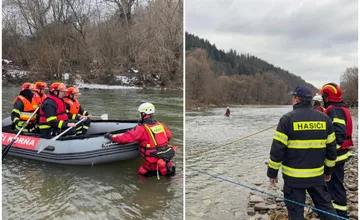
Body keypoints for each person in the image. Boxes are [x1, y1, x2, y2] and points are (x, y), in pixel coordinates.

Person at [267, 85, 338, 219]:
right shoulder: (325, 119)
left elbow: (277, 150)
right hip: (317, 176)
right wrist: (328, 171)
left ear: (296, 99)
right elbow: (331, 150)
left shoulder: (287, 119)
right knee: (326, 209)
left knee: (295, 213)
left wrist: (272, 173)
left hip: (293, 179)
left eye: (292, 97)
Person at [104, 102, 177, 177]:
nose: (139, 115)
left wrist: (110, 136)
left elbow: (124, 139)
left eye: (140, 113)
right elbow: (168, 136)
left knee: (141, 176)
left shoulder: (141, 128)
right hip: (167, 163)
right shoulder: (161, 125)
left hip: (152, 167)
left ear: (144, 114)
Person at [319, 83, 353, 218]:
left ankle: (340, 214)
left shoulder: (335, 110)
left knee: (335, 186)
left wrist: (330, 153)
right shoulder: (338, 108)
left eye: (323, 96)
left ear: (327, 96)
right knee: (333, 185)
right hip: (339, 155)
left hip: (337, 156)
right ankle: (334, 212)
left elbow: (339, 134)